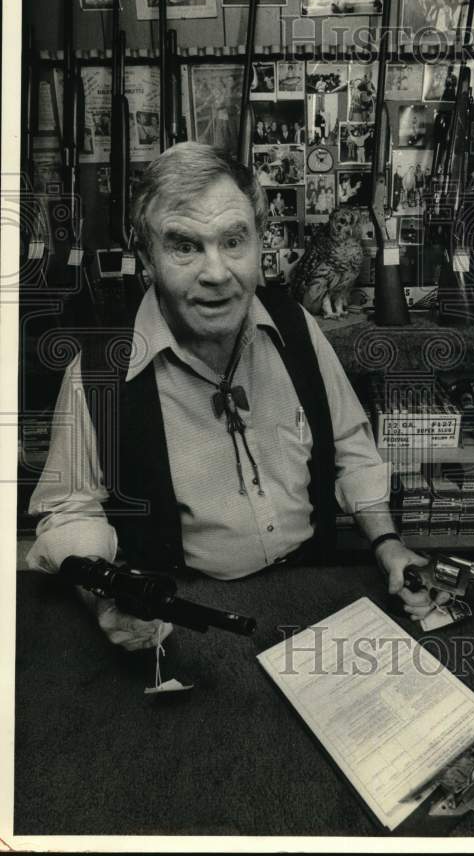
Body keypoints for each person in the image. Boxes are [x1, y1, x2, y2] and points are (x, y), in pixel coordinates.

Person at [26, 143, 440, 650]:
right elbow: (71, 509)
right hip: (184, 616)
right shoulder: (97, 373)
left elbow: (352, 444)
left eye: (233, 241)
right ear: (146, 258)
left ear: (259, 243)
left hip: (312, 596)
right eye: (185, 246)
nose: (217, 273)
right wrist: (108, 596)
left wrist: (387, 543)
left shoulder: (296, 327)